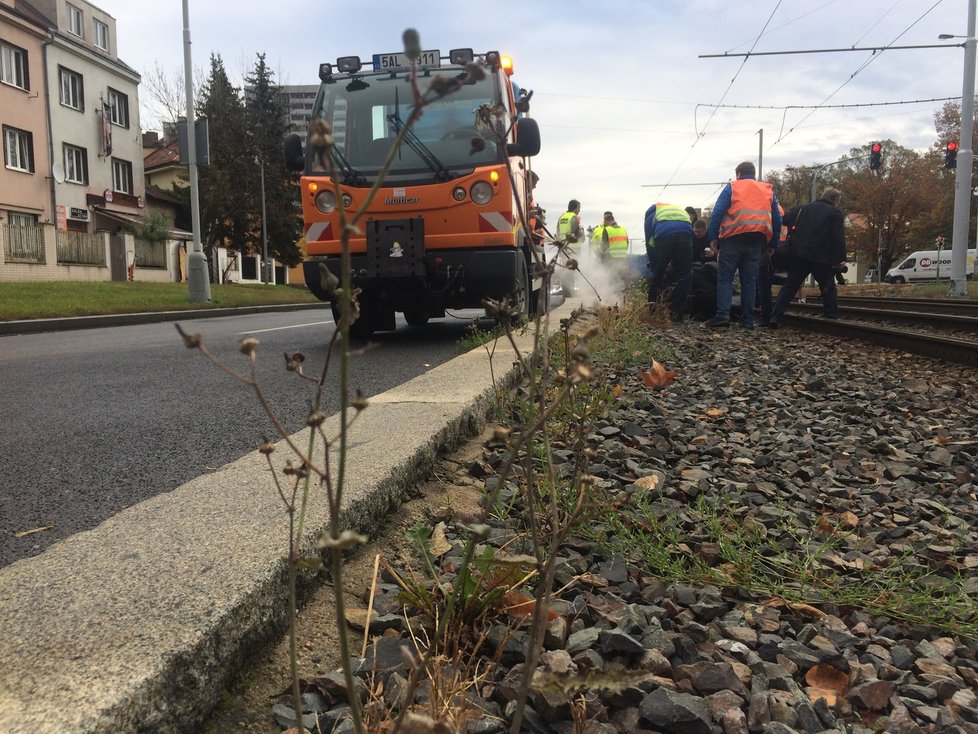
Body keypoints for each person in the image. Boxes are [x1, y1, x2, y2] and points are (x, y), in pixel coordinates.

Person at [705, 161, 781, 329]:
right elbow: (777, 219)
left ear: (738, 174)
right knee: (749, 281)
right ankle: (747, 320)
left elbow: (718, 212)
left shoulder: (732, 187)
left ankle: (723, 316)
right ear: (753, 174)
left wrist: (712, 238)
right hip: (757, 242)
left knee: (725, 278)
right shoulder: (768, 190)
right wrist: (773, 244)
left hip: (733, 239)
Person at [768, 187, 847, 328]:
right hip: (822, 258)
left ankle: (775, 316)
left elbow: (784, 220)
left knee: (790, 286)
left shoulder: (803, 208)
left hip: (799, 255)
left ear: (823, 195)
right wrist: (840, 258)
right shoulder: (835, 213)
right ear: (835, 200)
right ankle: (831, 316)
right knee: (828, 286)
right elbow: (838, 238)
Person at [644, 202, 693, 322]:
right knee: (684, 274)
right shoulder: (677, 208)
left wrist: (654, 265)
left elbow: (650, 243)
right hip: (686, 233)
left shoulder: (650, 215)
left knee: (658, 274)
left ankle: (652, 311)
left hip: (665, 236)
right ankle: (677, 313)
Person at [555, 199, 583, 295]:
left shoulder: (562, 217)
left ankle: (566, 291)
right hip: (573, 248)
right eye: (579, 207)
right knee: (571, 270)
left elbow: (558, 232)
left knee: (565, 269)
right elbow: (577, 233)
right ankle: (570, 292)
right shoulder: (574, 217)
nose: (579, 210)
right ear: (575, 208)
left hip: (563, 248)